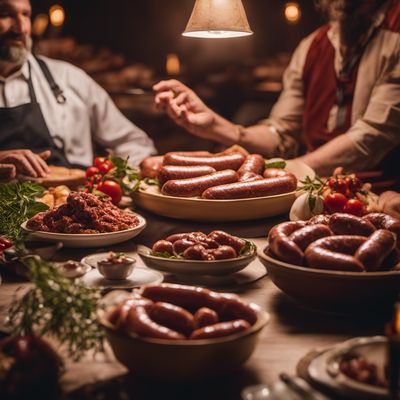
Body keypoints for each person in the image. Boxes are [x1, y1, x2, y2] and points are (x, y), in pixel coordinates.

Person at [154, 0, 400, 190]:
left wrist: (292, 168)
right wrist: (218, 126)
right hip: (313, 192)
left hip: (382, 197)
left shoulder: (396, 30)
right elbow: (282, 132)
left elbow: (373, 136)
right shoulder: (311, 46)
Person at [0, 0, 156, 178]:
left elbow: (133, 143)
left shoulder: (69, 78)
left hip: (72, 201)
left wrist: (133, 169)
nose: (21, 28)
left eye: (26, 15)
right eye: (5, 14)